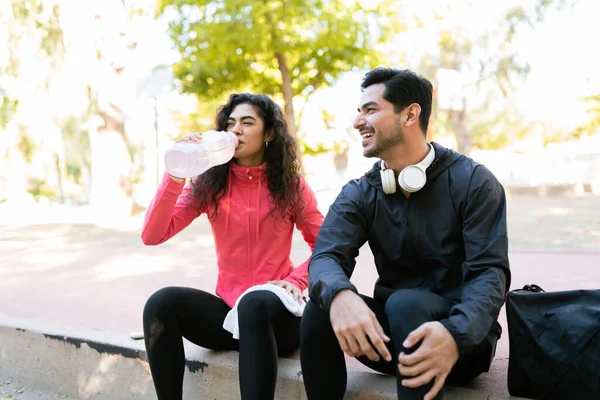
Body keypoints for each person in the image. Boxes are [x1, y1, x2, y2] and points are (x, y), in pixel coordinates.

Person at [299, 68, 510, 400]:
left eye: (370, 110)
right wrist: (340, 295)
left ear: (411, 114)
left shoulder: (474, 181)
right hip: (393, 339)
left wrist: (456, 333)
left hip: (461, 341)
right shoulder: (360, 191)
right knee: (321, 307)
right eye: (358, 112)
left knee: (405, 303)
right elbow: (325, 257)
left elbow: (489, 272)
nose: (357, 122)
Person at [141, 93, 323, 400]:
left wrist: (295, 281)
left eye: (247, 123)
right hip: (229, 315)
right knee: (161, 303)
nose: (235, 130)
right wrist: (176, 175)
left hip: (277, 316)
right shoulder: (209, 184)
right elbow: (153, 234)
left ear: (268, 134)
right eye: (230, 123)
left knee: (254, 304)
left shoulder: (291, 186)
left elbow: (325, 246)